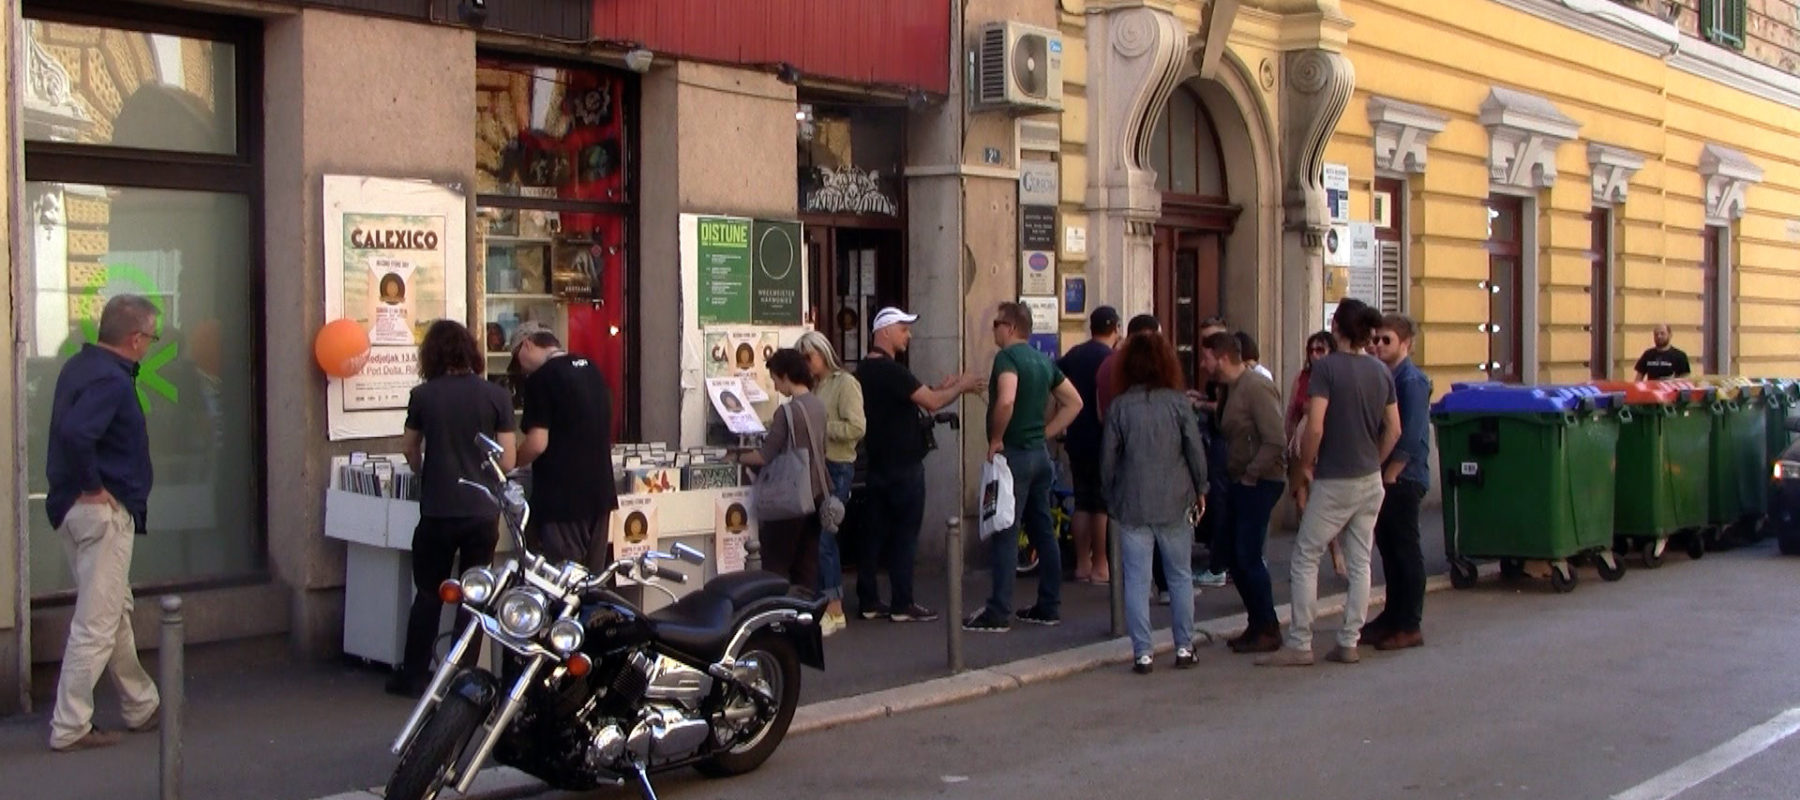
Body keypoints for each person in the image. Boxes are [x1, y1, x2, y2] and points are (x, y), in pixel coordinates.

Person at [45, 294, 163, 752]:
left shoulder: (78, 368)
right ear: (135, 339)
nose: (150, 345)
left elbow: (69, 433)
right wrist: (94, 487)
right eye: (151, 337)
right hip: (101, 513)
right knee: (96, 623)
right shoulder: (112, 381)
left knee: (114, 611)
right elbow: (77, 434)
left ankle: (141, 704)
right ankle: (70, 725)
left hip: (70, 510)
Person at [1260, 299, 1400, 667]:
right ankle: (1349, 640)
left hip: (1335, 477)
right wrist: (1375, 461)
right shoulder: (1380, 371)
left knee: (1306, 555)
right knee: (1360, 561)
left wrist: (1305, 464)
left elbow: (1316, 426)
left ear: (1336, 327)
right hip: (1369, 478)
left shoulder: (1326, 369)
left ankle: (1300, 642)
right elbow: (1394, 429)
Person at [392, 320, 517, 697]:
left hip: (438, 508)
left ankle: (414, 675)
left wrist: (422, 469)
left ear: (431, 355)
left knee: (428, 593)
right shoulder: (496, 395)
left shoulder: (423, 395)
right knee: (474, 595)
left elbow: (409, 446)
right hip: (482, 509)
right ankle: (461, 677)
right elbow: (508, 459)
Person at [856, 307, 985, 622]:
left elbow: (919, 395)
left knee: (873, 536)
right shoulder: (893, 371)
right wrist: (962, 386)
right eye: (903, 329)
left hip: (878, 463)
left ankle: (868, 600)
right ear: (885, 331)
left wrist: (944, 387)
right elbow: (932, 402)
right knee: (905, 535)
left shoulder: (864, 369)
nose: (908, 335)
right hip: (904, 465)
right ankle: (902, 603)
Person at [964, 302, 1084, 632]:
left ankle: (999, 610)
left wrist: (996, 438)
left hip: (1013, 455)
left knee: (1005, 531)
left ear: (1012, 327)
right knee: (1043, 530)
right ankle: (1049, 605)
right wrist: (1046, 432)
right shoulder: (1043, 361)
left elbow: (1006, 399)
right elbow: (1074, 402)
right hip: (1039, 456)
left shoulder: (1008, 359)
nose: (994, 329)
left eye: (997, 324)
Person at [1102, 332, 1209, 673]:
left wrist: (1111, 496)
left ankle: (1143, 653)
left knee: (1136, 579)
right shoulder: (1178, 403)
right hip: (1175, 499)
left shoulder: (1119, 407)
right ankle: (1184, 646)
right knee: (1179, 576)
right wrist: (1201, 487)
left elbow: (1108, 460)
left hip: (1133, 501)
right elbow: (1194, 450)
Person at [1206, 333, 1288, 654]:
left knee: (1247, 555)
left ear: (1223, 358)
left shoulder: (1256, 386)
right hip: (1239, 479)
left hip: (1260, 480)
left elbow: (1275, 439)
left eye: (1207, 358)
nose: (1203, 365)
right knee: (1234, 555)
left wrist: (1252, 474)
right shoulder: (1229, 388)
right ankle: (1257, 623)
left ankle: (1267, 627)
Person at [511, 322, 618, 569]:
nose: (521, 370)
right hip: (600, 493)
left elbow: (537, 443)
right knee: (591, 579)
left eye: (517, 361)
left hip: (563, 499)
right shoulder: (592, 368)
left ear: (527, 345)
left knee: (563, 579)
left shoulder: (541, 379)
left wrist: (512, 460)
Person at [1364, 313, 1433, 651]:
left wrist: (1391, 472)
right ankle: (1392, 616)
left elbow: (1412, 432)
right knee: (1389, 550)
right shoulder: (1386, 376)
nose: (1378, 345)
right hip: (1386, 475)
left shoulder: (1411, 380)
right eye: (1375, 339)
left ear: (1405, 343)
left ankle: (1409, 623)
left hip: (1404, 477)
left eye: (1386, 340)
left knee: (1405, 550)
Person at [736, 349, 828, 593]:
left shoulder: (787, 412)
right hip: (817, 494)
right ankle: (805, 611)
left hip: (790, 497)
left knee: (776, 564)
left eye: (775, 379)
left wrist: (735, 456)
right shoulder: (819, 406)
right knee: (806, 566)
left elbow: (764, 455)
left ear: (786, 376)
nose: (776, 387)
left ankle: (778, 611)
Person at [1097, 314, 1174, 602]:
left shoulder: (1106, 365)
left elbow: (1100, 413)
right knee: (1160, 531)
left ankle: (1127, 589)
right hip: (1151, 462)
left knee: (1127, 537)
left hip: (1118, 459)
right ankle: (1164, 587)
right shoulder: (1153, 373)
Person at [796, 331, 865, 635]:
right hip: (817, 467)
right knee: (816, 538)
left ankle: (835, 608)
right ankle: (823, 603)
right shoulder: (814, 386)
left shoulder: (845, 383)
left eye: (808, 357)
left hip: (837, 467)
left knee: (826, 537)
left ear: (822, 353)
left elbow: (857, 427)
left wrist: (821, 427)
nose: (806, 363)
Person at [1057, 306, 1122, 584]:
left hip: (1076, 436)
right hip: (1103, 439)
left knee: (1082, 502)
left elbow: (1054, 381)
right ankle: (1101, 564)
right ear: (1116, 328)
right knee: (1101, 505)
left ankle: (1082, 563)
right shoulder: (1111, 360)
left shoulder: (1075, 354)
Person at [1288, 331, 1346, 576]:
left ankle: (1334, 551)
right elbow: (1292, 410)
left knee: (1322, 504)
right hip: (1300, 443)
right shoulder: (1302, 377)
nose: (1314, 355)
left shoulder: (1336, 377)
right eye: (1311, 350)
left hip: (1324, 442)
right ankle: (1306, 557)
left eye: (1320, 350)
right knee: (1302, 504)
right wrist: (1287, 439)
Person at [1192, 317, 1234, 589]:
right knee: (1219, 502)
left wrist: (1201, 405)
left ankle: (1220, 565)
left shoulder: (1233, 376)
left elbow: (1226, 408)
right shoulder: (1217, 376)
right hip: (1216, 442)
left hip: (1224, 444)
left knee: (1221, 502)